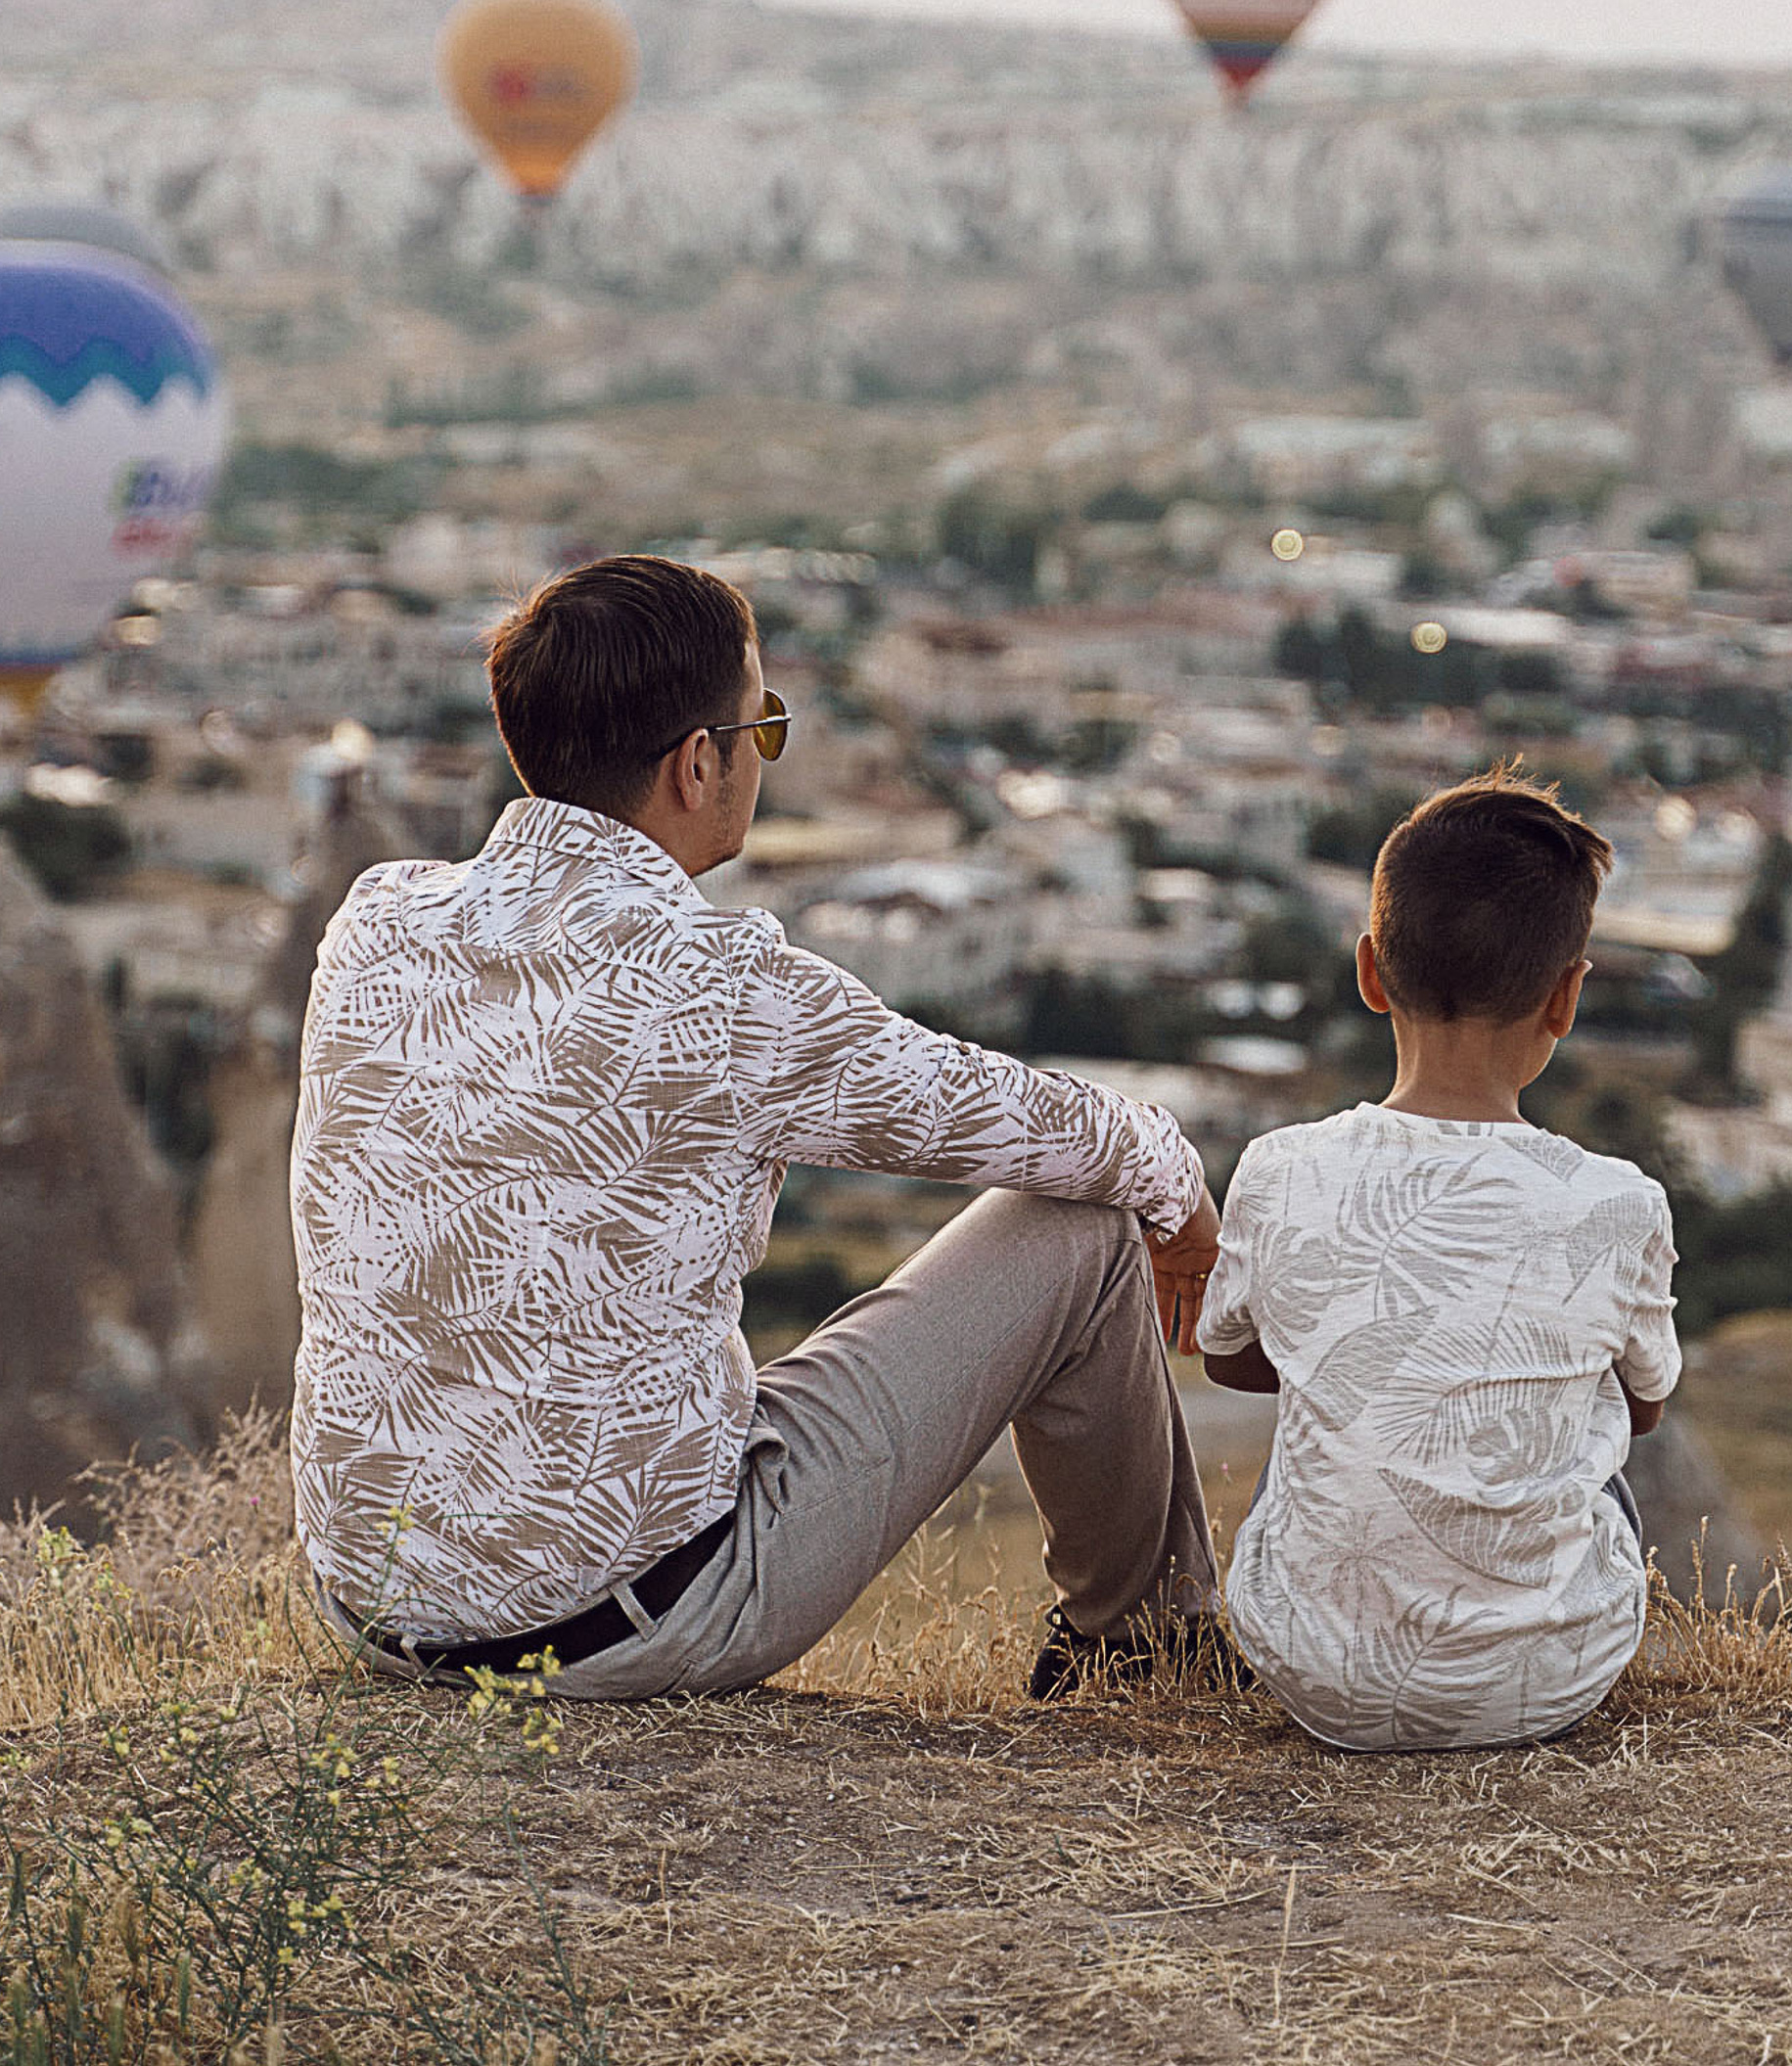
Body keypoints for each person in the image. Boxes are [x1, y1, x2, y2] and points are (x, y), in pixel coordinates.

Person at [290, 553, 1231, 1703]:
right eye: (761, 728)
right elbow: (1046, 1129)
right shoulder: (720, 988)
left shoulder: (378, 923)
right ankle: (1146, 1648)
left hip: (378, 1609)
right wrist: (1179, 1195)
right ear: (699, 763)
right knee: (1082, 1229)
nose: (762, 757)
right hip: (625, 1624)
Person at [1197, 768, 1679, 1751]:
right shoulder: (1620, 1202)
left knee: (1322, 1415)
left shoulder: (1281, 1168)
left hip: (1316, 1677)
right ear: (1566, 998)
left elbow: (1227, 1359)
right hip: (1550, 1686)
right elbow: (1645, 1404)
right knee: (1595, 1431)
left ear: (1371, 971)